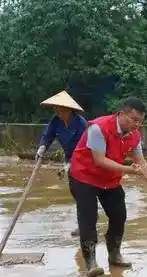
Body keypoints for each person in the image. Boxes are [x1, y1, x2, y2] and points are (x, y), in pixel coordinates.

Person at [69, 97, 147, 277]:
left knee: (119, 215)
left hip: (109, 180)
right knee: (88, 217)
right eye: (133, 119)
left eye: (140, 121)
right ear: (121, 114)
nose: (136, 124)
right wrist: (128, 170)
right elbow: (100, 160)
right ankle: (91, 263)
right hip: (84, 176)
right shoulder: (99, 127)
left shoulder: (134, 135)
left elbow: (141, 162)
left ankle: (114, 255)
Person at [35, 91, 88, 236]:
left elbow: (82, 148)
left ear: (70, 110)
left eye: (62, 110)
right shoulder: (56, 120)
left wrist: (69, 165)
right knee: (75, 192)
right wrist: (43, 147)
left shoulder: (81, 124)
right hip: (69, 160)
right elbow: (48, 135)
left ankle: (86, 225)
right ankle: (84, 223)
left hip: (85, 160)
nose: (59, 113)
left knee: (83, 193)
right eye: (57, 110)